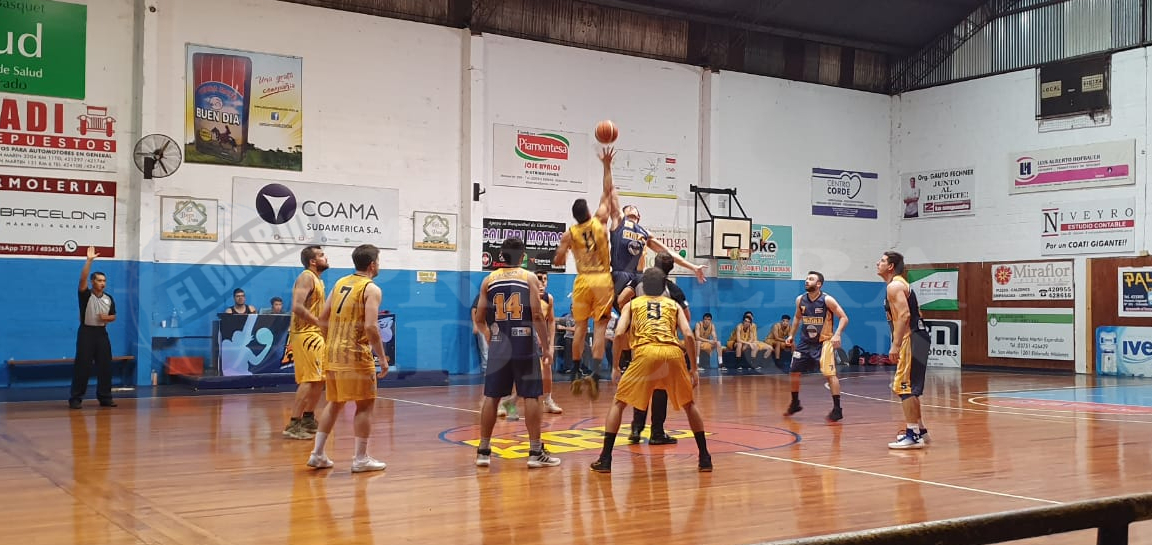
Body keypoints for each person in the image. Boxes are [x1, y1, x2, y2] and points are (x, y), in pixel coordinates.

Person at [591, 267, 711, 473]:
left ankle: (605, 458)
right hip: (673, 353)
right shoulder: (674, 305)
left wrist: (616, 366)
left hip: (645, 352)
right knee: (689, 404)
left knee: (619, 403)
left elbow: (618, 334)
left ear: (643, 287)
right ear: (664, 287)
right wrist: (693, 369)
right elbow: (689, 335)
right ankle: (705, 457)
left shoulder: (633, 304)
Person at [473, 238, 561, 469]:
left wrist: (490, 336)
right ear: (523, 257)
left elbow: (479, 318)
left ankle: (483, 451)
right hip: (523, 343)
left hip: (500, 344)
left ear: (501, 256)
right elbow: (537, 315)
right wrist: (546, 346)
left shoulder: (489, 280)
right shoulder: (529, 277)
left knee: (492, 397)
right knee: (532, 396)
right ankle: (535, 452)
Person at [305, 244, 389, 473]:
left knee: (335, 402)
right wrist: (382, 358)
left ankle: (317, 454)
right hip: (355, 354)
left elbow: (323, 318)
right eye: (378, 261)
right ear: (372, 265)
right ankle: (360, 458)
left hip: (333, 352)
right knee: (365, 405)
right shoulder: (371, 289)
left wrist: (331, 341)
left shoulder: (340, 283)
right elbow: (371, 326)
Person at [553, 148, 617, 399]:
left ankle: (575, 371)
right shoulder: (600, 220)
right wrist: (606, 165)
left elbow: (558, 260)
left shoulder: (569, 234)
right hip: (602, 279)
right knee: (600, 328)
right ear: (589, 212)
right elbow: (608, 192)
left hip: (582, 280)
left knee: (580, 327)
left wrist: (565, 250)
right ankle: (597, 374)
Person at [619, 252, 689, 445]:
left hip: (641, 344)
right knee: (660, 390)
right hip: (664, 345)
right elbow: (687, 318)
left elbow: (621, 299)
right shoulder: (673, 289)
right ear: (671, 269)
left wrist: (631, 318)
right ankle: (657, 432)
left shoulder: (638, 281)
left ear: (653, 263)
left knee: (641, 386)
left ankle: (636, 429)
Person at [878, 251, 932, 449]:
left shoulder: (894, 286)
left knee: (904, 386)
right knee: (911, 388)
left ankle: (912, 435)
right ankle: (920, 430)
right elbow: (917, 312)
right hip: (919, 336)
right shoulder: (901, 284)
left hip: (912, 338)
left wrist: (896, 343)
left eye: (882, 261)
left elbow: (905, 315)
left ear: (891, 266)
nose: (878, 263)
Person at [783, 271, 848, 423]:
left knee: (830, 374)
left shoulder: (827, 300)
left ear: (819, 284)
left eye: (811, 279)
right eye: (806, 278)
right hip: (805, 343)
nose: (807, 281)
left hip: (824, 342)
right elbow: (797, 317)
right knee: (794, 372)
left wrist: (837, 334)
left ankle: (837, 409)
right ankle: (795, 403)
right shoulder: (800, 300)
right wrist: (791, 335)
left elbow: (844, 318)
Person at [283, 245, 329, 440]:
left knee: (320, 379)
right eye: (321, 255)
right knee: (309, 379)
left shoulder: (318, 280)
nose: (325, 258)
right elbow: (296, 306)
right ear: (312, 261)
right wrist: (318, 322)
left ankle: (308, 418)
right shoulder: (306, 277)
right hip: (305, 334)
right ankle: (294, 424)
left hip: (315, 333)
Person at [69, 246, 117, 409]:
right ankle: (76, 398)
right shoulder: (85, 295)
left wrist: (107, 318)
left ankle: (105, 397)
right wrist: (89, 261)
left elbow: (113, 316)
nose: (102, 283)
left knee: (105, 366)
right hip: (86, 333)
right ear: (92, 282)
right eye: (99, 280)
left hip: (101, 333)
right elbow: (81, 280)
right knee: (82, 366)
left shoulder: (109, 298)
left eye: (104, 281)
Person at [535, 270, 563, 414]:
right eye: (539, 279)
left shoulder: (548, 298)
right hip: (525, 338)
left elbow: (551, 321)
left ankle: (548, 400)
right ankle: (507, 401)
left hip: (541, 341)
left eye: (544, 279)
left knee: (547, 367)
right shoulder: (525, 297)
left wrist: (551, 344)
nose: (542, 282)